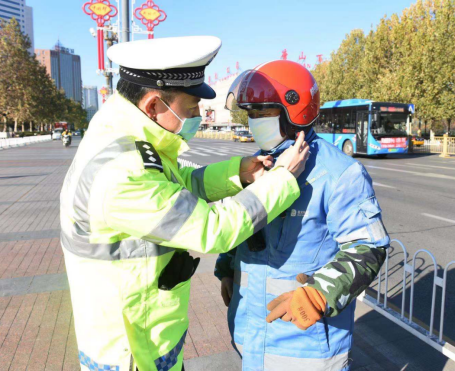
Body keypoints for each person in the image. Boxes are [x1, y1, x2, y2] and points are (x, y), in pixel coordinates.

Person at [60, 37, 309, 371]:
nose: (198, 116)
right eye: (191, 108)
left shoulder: (125, 132)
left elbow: (176, 189)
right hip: (133, 351)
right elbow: (213, 229)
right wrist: (283, 180)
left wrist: (237, 173)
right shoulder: (123, 171)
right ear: (152, 106)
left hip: (147, 330)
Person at [215, 60, 390, 371]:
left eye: (262, 113)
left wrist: (319, 294)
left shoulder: (339, 174)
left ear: (293, 112)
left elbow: (368, 249)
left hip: (305, 346)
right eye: (251, 114)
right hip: (249, 336)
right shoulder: (257, 165)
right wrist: (226, 267)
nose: (254, 122)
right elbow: (242, 222)